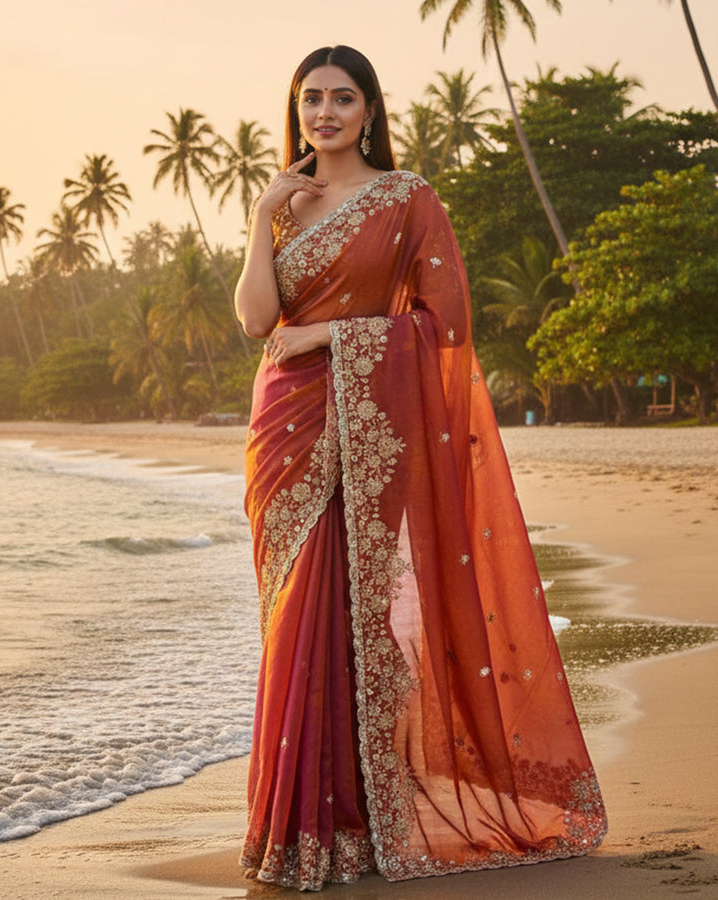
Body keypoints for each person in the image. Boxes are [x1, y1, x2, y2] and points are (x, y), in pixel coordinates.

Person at [235, 45, 607, 892]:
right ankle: (300, 828)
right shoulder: (285, 205)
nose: (324, 114)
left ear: (370, 111)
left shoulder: (408, 200)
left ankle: (345, 825)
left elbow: (447, 321)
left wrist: (334, 335)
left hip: (366, 417)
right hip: (283, 429)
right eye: (310, 100)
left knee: (344, 617)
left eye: (342, 99)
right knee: (291, 618)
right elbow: (259, 320)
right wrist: (262, 214)